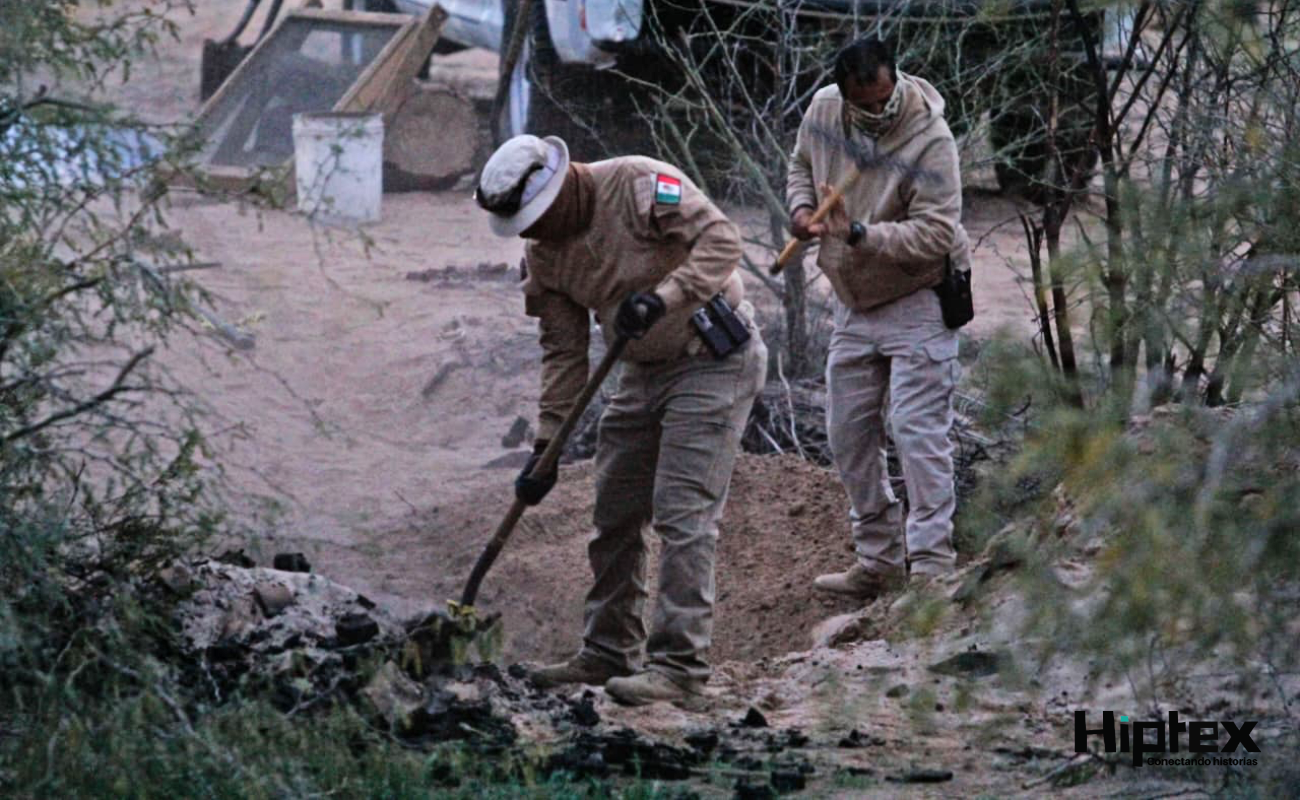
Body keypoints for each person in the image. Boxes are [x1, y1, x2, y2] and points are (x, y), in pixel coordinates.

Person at [475, 135, 767, 706]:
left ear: (560, 187)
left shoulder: (638, 183)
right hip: (639, 372)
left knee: (682, 514)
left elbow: (722, 240)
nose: (533, 233)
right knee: (614, 513)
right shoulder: (542, 252)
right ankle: (607, 650)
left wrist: (664, 297)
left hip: (711, 359)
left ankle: (679, 668)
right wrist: (546, 446)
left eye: (538, 218)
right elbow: (562, 351)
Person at [787, 36, 970, 598]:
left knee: (917, 432)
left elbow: (937, 233)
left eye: (883, 99)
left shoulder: (930, 137)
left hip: (919, 293)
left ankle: (933, 565)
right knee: (848, 434)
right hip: (854, 297)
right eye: (863, 104)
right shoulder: (823, 111)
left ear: (895, 78)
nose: (875, 111)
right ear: (844, 93)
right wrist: (800, 210)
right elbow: (798, 164)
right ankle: (878, 558)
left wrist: (861, 234)